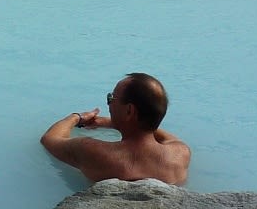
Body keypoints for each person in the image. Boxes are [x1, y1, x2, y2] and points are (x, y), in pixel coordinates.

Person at [40, 72, 191, 185]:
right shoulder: (180, 154)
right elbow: (166, 137)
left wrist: (76, 118)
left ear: (129, 111)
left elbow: (50, 139)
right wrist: (113, 122)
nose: (109, 104)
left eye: (111, 99)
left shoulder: (93, 151)